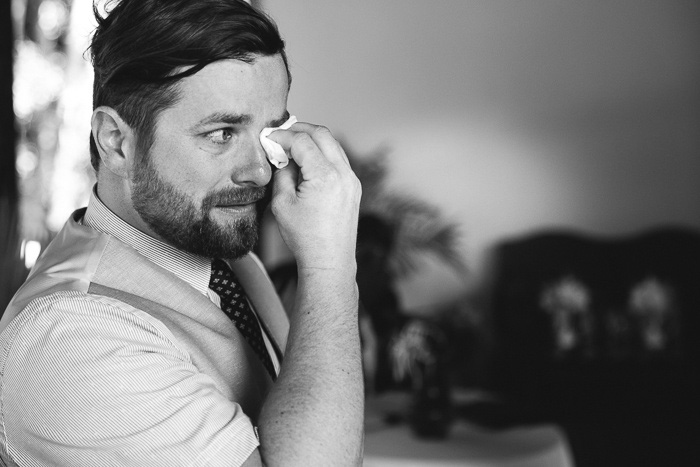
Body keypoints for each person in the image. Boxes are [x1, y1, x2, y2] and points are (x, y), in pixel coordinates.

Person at [0, 0, 363, 465]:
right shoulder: (67, 340)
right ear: (115, 140)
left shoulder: (233, 263)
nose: (259, 170)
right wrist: (331, 267)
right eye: (222, 133)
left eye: (269, 134)